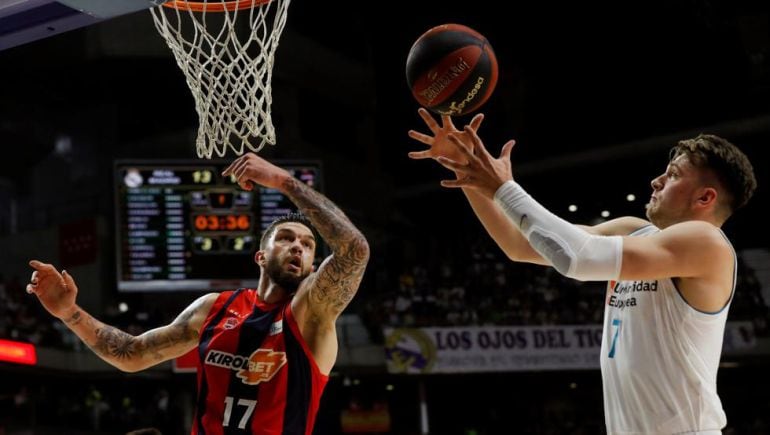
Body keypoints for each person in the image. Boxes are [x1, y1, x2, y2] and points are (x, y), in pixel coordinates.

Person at [408, 108, 757, 434]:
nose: (656, 180)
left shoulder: (707, 243)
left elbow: (578, 257)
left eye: (674, 175)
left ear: (705, 198)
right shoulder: (632, 231)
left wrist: (503, 187)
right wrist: (469, 174)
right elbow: (521, 244)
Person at [26, 152, 370, 434]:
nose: (297, 246)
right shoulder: (217, 307)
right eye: (286, 238)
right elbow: (131, 353)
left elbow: (354, 249)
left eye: (308, 245)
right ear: (261, 256)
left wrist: (285, 182)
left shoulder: (312, 314)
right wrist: (68, 313)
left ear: (313, 266)